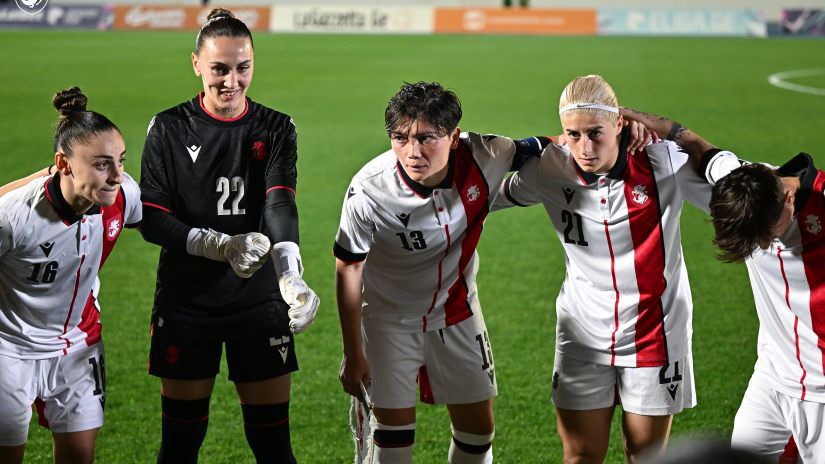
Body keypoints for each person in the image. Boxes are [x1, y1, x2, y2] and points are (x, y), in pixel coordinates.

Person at [334, 81, 559, 464]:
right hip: (389, 321)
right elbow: (348, 269)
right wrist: (353, 352)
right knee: (392, 442)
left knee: (477, 435)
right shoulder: (369, 191)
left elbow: (554, 143)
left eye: (426, 138)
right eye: (400, 138)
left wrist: (621, 126)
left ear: (455, 136)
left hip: (458, 313)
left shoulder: (488, 153)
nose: (412, 151)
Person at [495, 75, 713, 463]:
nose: (585, 147)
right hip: (582, 332)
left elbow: (738, 183)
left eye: (595, 133)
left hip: (655, 331)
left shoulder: (664, 161)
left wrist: (679, 133)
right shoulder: (549, 168)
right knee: (580, 455)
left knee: (644, 454)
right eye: (573, 135)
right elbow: (485, 195)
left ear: (620, 124)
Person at [138, 8, 319, 463]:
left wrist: (290, 275)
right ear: (196, 63)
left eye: (243, 68)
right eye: (219, 68)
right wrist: (220, 246)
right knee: (179, 446)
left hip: (258, 302)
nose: (231, 81)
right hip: (187, 302)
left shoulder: (276, 127)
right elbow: (152, 217)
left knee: (273, 446)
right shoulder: (168, 127)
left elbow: (279, 201)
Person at [621, 109, 823, 464]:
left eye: (766, 236)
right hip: (772, 378)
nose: (761, 246)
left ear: (789, 199)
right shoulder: (742, 182)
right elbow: (694, 145)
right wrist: (632, 121)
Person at [0, 87, 141, 464]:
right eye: (101, 164)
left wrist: (216, 245)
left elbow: (162, 227)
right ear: (63, 164)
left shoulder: (124, 195)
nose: (116, 176)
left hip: (79, 347)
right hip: (8, 350)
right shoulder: (15, 218)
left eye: (121, 161)